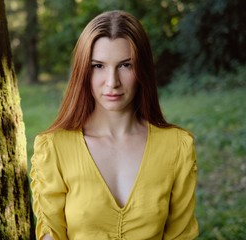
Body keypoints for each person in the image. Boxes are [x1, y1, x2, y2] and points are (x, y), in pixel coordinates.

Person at [30, 10, 198, 240]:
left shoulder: (177, 146)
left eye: (125, 65)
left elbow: (181, 235)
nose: (112, 82)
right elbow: (51, 235)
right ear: (83, 71)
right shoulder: (54, 148)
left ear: (142, 69)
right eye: (98, 66)